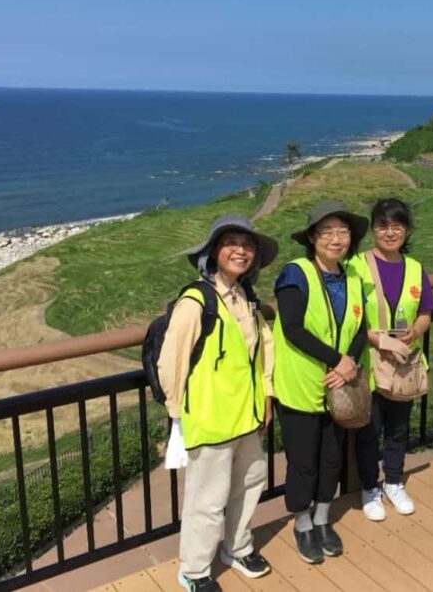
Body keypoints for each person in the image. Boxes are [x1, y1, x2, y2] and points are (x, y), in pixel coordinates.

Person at [159, 215, 279, 591]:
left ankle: (237, 547)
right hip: (211, 419)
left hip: (248, 415)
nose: (240, 250)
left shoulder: (247, 297)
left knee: (250, 483)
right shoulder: (196, 301)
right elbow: (171, 361)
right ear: (214, 252)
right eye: (231, 243)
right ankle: (194, 571)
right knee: (206, 500)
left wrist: (267, 396)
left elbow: (263, 352)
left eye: (247, 244)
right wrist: (178, 415)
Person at [272, 200, 369, 564]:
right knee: (303, 462)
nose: (336, 239)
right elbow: (292, 327)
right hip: (301, 385)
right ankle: (301, 524)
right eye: (326, 231)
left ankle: (322, 519)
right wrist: (338, 361)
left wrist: (350, 363)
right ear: (312, 237)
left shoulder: (354, 276)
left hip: (340, 386)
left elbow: (361, 327)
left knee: (331, 459)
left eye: (343, 231)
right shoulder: (295, 273)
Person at [350, 198, 433, 522]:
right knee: (369, 430)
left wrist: (415, 330)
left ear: (406, 229)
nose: (390, 232)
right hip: (369, 364)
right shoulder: (357, 265)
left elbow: (427, 310)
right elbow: (349, 315)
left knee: (398, 428)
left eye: (397, 225)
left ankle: (395, 482)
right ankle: (370, 487)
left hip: (404, 364)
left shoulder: (414, 268)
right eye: (383, 225)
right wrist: (377, 338)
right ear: (373, 229)